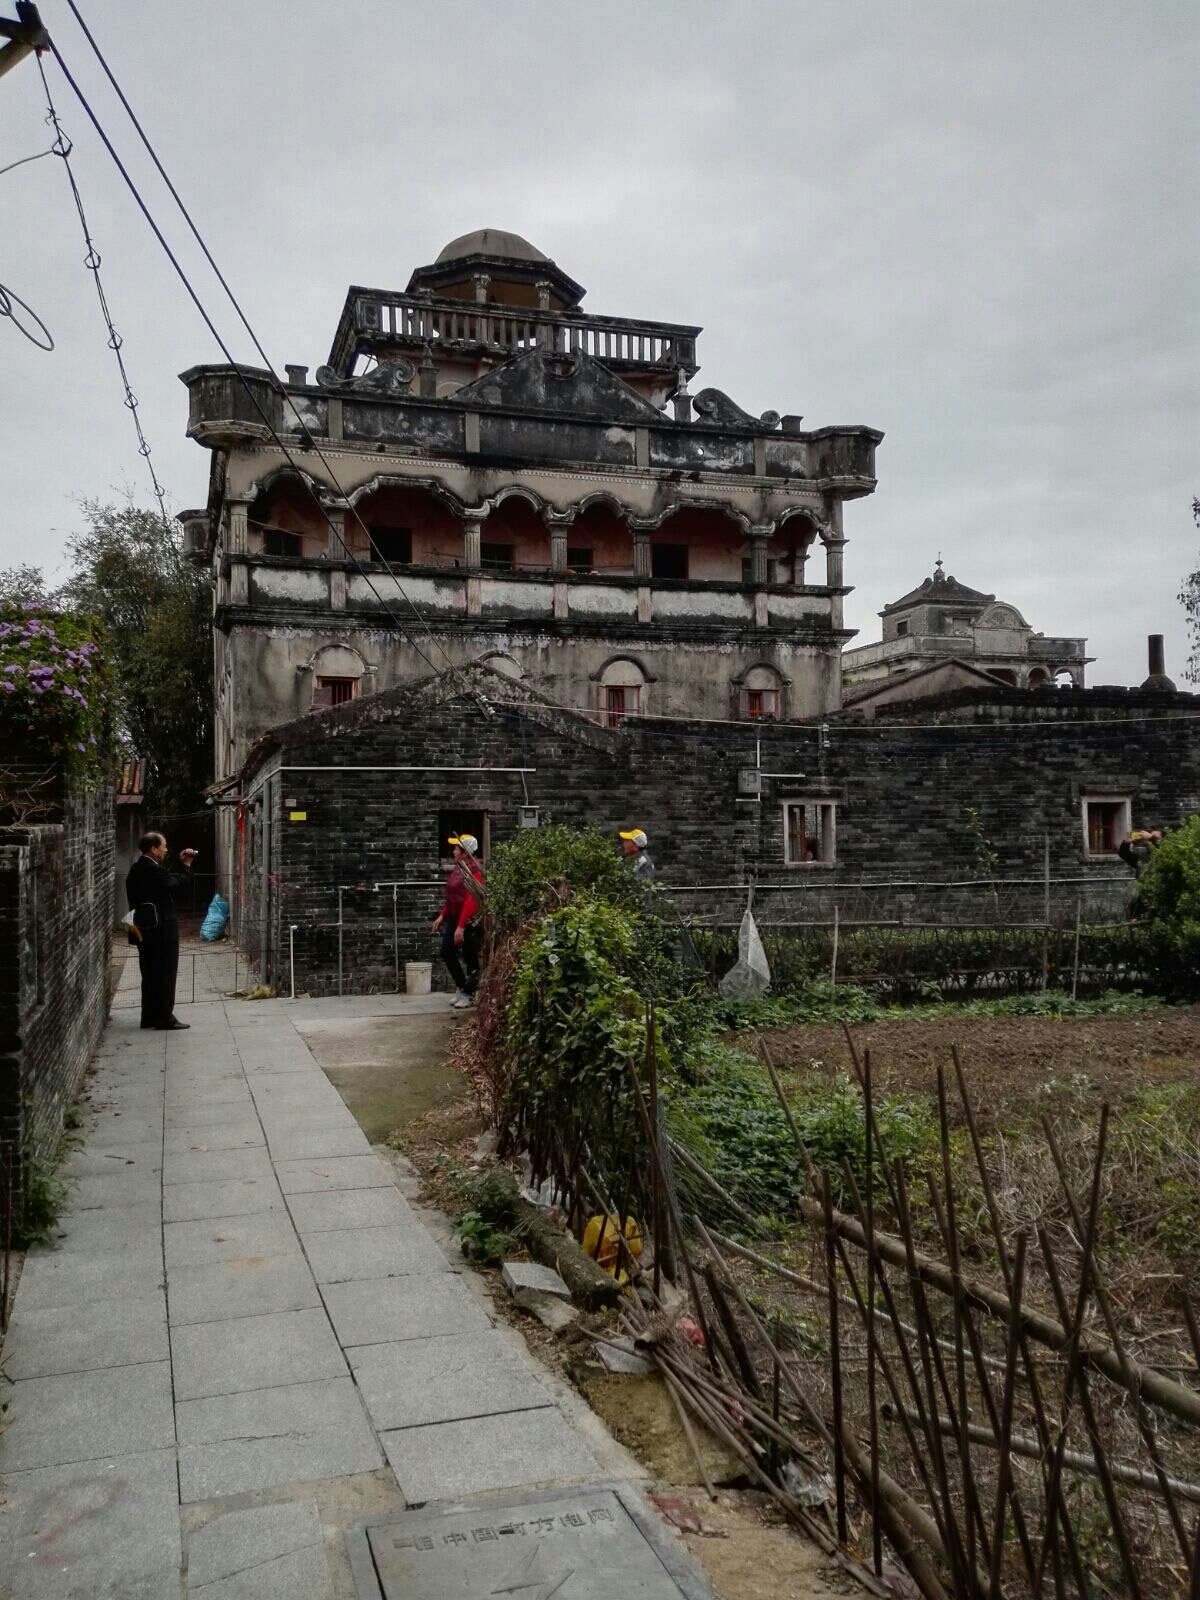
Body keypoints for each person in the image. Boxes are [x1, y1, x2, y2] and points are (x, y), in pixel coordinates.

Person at [125, 832, 197, 1030]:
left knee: (149, 974)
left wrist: (179, 866)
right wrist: (187, 866)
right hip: (161, 930)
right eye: (163, 846)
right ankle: (165, 1017)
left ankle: (149, 1016)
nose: (166, 850)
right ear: (154, 849)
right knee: (165, 973)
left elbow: (164, 879)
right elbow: (176, 884)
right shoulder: (152, 870)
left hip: (143, 930)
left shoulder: (137, 869)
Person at [432, 833, 485, 1009]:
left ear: (465, 852)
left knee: (470, 959)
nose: (453, 851)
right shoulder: (458, 868)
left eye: (456, 848)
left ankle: (469, 993)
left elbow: (470, 901)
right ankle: (463, 987)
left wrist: (461, 926)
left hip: (468, 922)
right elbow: (453, 897)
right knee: (447, 952)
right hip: (454, 919)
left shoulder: (474, 871)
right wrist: (442, 915)